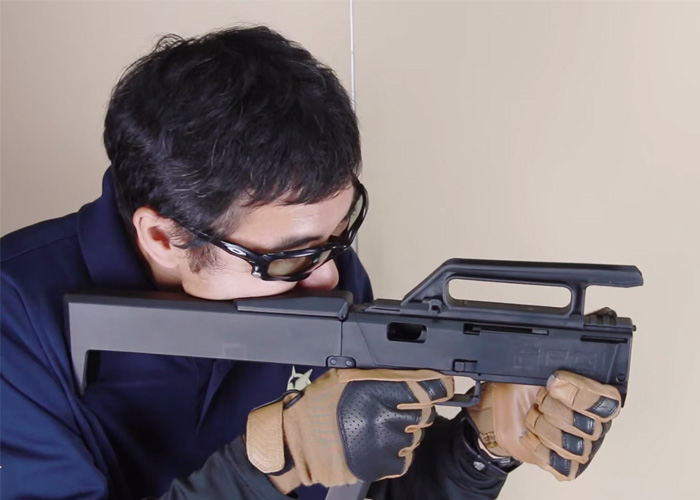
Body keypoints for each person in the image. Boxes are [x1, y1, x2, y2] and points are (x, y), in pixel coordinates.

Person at [0, 26, 622, 500]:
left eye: (340, 236)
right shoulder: (16, 320)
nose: (331, 278)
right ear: (165, 238)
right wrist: (277, 458)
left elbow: (370, 492)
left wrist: (480, 450)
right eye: (289, 258)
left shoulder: (329, 276)